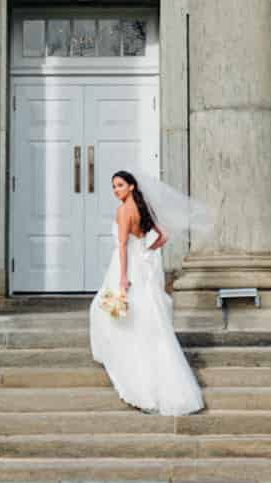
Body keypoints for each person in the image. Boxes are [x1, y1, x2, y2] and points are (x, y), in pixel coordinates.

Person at [89, 170, 203, 416]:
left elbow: (121, 245)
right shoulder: (143, 209)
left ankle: (127, 366)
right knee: (147, 316)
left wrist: (122, 276)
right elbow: (165, 236)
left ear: (131, 186)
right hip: (143, 263)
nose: (116, 190)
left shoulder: (123, 211)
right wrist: (147, 250)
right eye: (114, 186)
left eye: (119, 185)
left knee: (107, 311)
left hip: (127, 265)